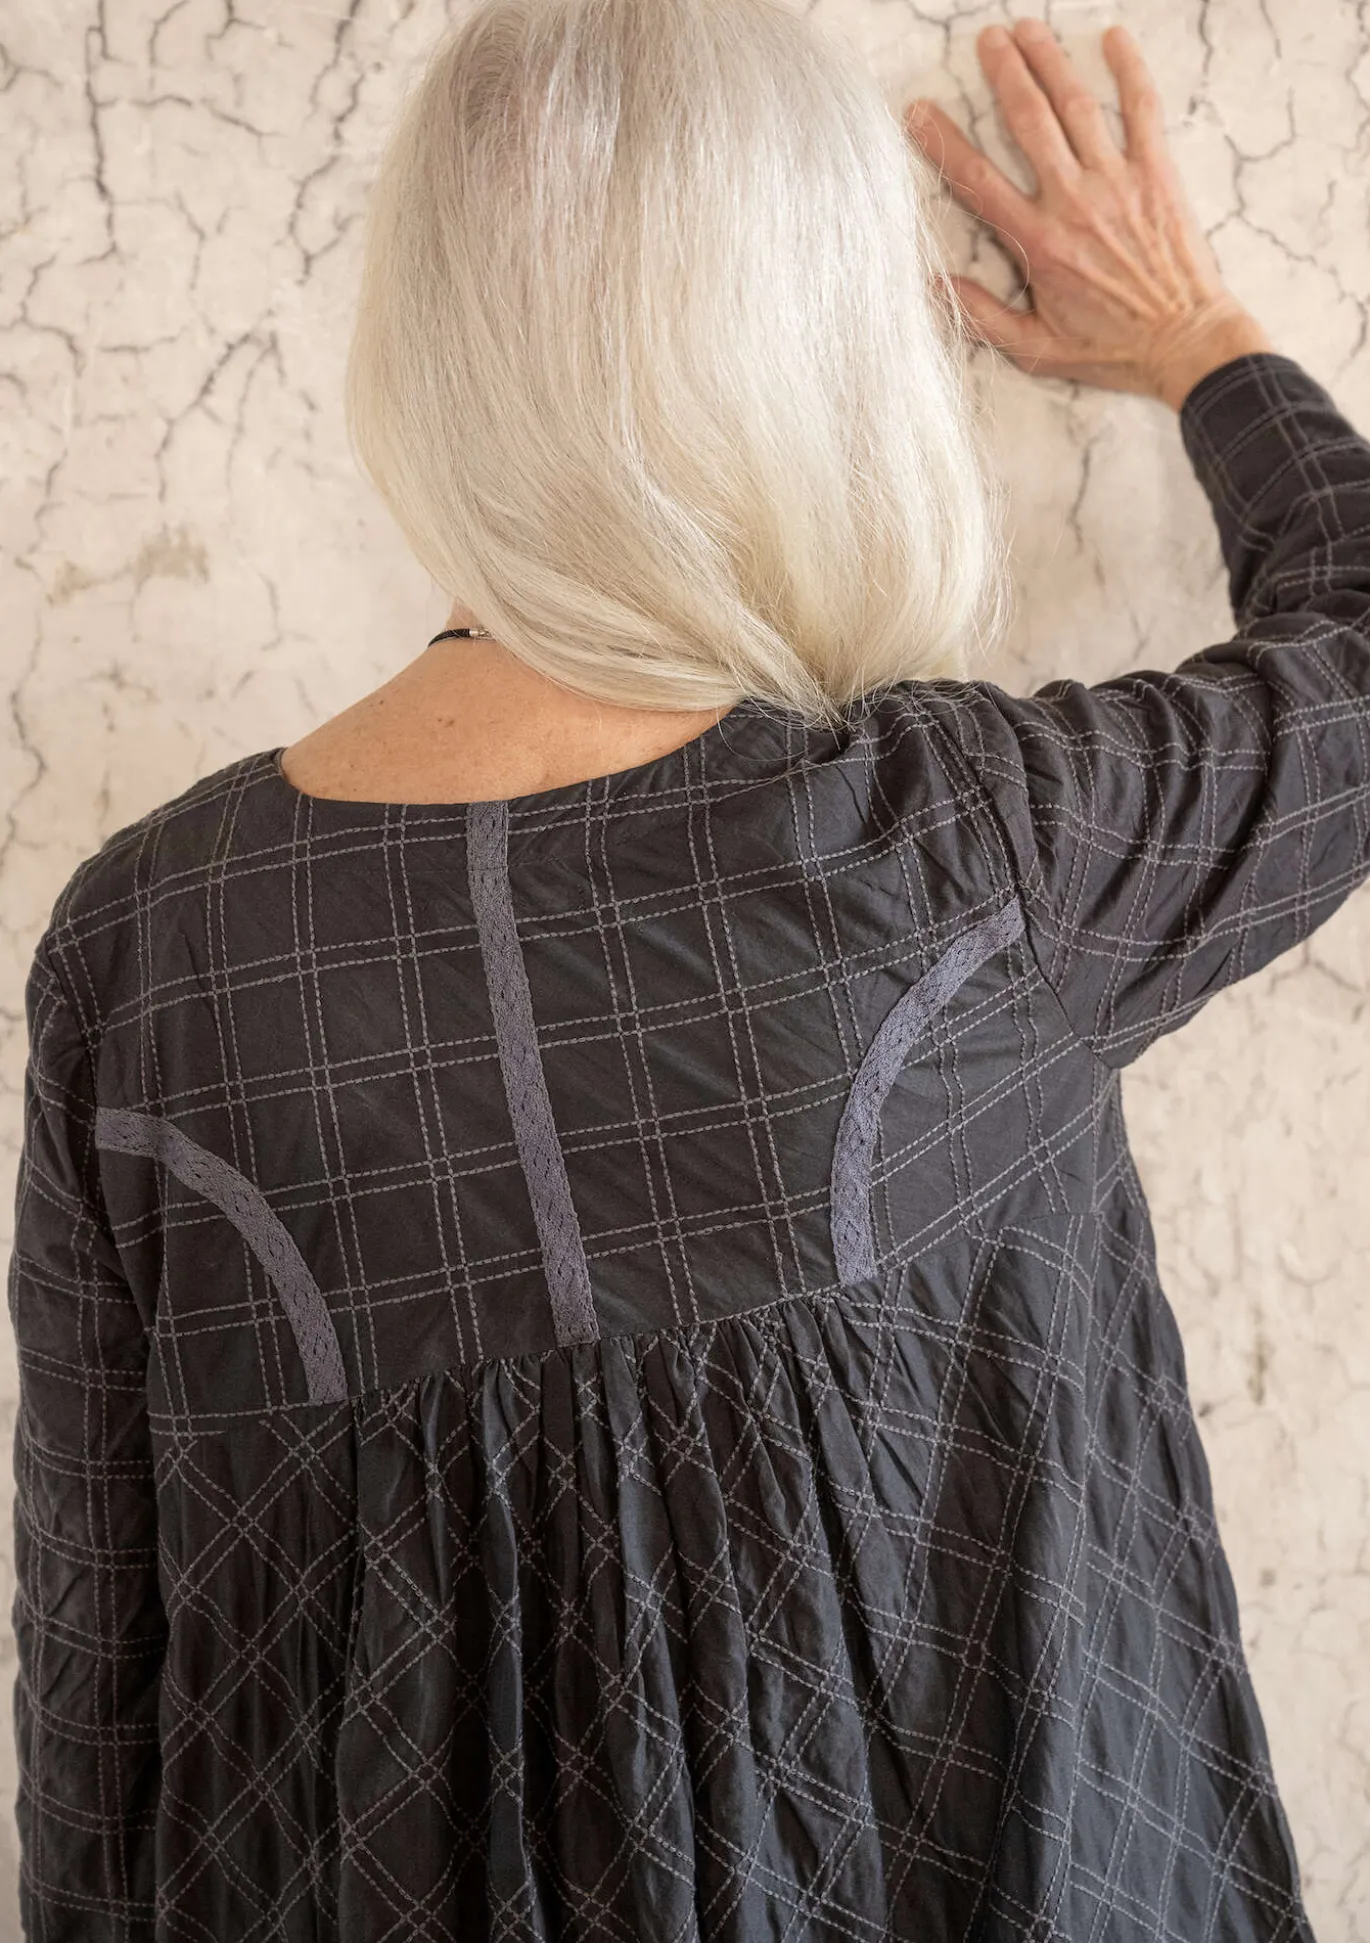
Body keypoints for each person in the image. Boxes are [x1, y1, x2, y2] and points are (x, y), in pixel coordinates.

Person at [7, 2, 1365, 1937]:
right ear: (809, 348)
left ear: (431, 343)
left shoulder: (150, 951)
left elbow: (97, 1699)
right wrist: (1199, 340)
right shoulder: (966, 851)